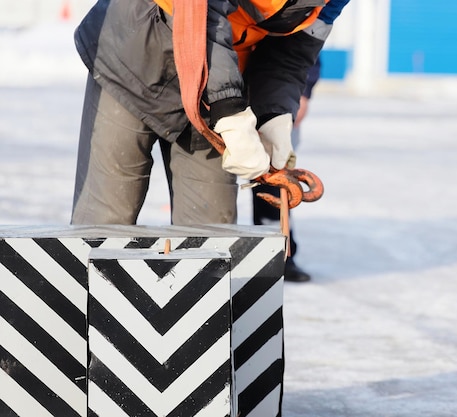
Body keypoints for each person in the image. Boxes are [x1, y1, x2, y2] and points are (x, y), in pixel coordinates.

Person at [70, 0, 350, 227]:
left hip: (215, 85)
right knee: (105, 224)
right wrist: (229, 110)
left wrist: (274, 114)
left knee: (212, 234)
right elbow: (201, 13)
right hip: (133, 55)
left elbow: (291, 52)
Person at [252, 58, 321, 282]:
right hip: (226, 93)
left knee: (276, 180)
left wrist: (303, 91)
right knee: (217, 183)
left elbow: (307, 46)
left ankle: (279, 256)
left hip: (276, 94)